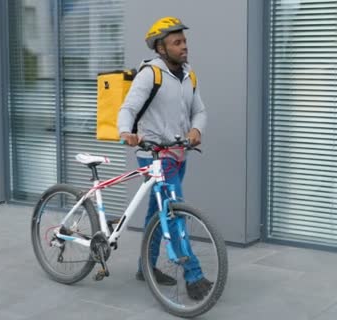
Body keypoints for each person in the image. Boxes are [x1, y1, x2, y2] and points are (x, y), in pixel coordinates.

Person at [116, 16, 212, 300]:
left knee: (157, 213)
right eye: (177, 42)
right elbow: (128, 108)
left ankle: (144, 267)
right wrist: (125, 132)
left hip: (179, 153)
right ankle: (193, 275)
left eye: (184, 41)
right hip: (154, 156)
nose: (184, 47)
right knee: (173, 214)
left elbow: (200, 111)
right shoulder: (151, 74)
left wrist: (196, 128)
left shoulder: (188, 74)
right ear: (161, 48)